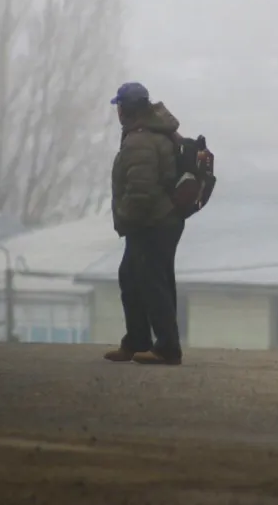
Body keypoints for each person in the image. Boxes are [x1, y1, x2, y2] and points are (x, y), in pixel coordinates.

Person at [104, 82, 186, 366]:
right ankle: (137, 342)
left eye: (119, 106)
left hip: (152, 222)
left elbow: (141, 190)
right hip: (160, 220)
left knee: (152, 283)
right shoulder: (155, 132)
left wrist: (125, 218)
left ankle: (167, 348)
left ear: (125, 109)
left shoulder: (140, 140)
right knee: (134, 278)